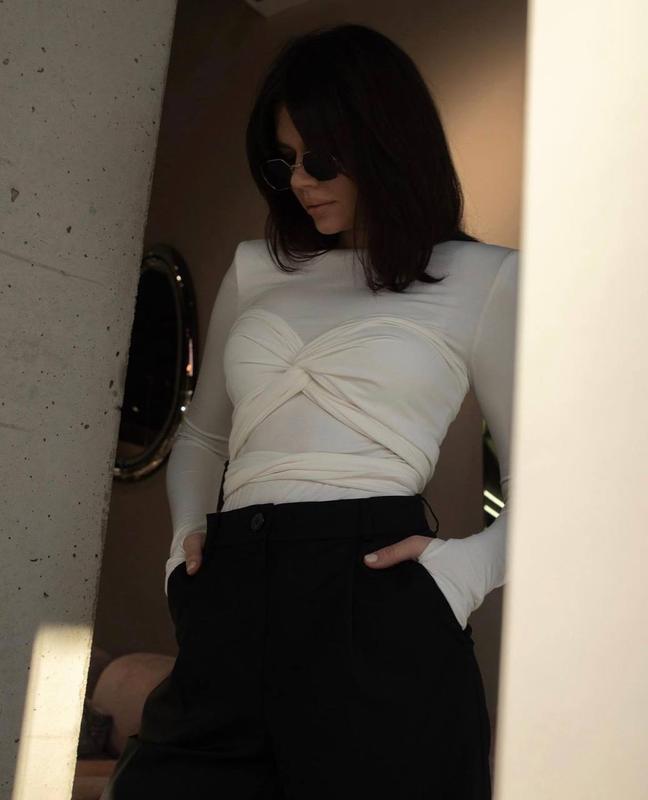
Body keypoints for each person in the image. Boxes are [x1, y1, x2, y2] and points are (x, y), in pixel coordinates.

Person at [103, 22, 519, 800]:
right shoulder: (256, 269)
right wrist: (180, 557)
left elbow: (558, 475)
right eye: (282, 160)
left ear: (385, 144)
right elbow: (203, 434)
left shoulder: (483, 278)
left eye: (320, 160)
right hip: (234, 590)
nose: (298, 181)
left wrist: (465, 572)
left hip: (378, 595)